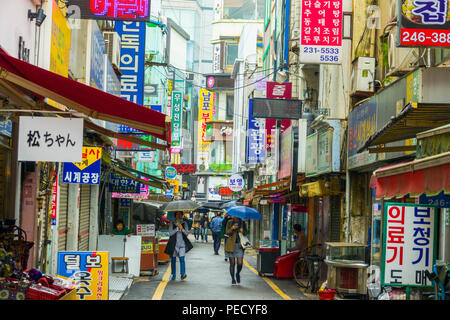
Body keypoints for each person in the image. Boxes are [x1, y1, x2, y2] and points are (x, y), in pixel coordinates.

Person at [164, 212, 193, 280]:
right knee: (173, 260)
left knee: (182, 259)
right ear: (175, 215)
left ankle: (183, 274)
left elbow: (186, 233)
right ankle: (173, 274)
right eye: (177, 214)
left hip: (182, 244)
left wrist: (182, 229)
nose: (179, 216)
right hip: (174, 244)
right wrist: (177, 228)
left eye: (180, 214)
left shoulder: (184, 223)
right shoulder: (172, 223)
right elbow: (170, 233)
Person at [224, 216, 248, 285]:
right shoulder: (229, 222)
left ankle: (237, 273)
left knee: (240, 263)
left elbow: (246, 233)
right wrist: (232, 228)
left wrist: (243, 231)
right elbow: (227, 232)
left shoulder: (242, 222)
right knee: (232, 263)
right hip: (231, 245)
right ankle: (233, 279)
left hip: (240, 245)